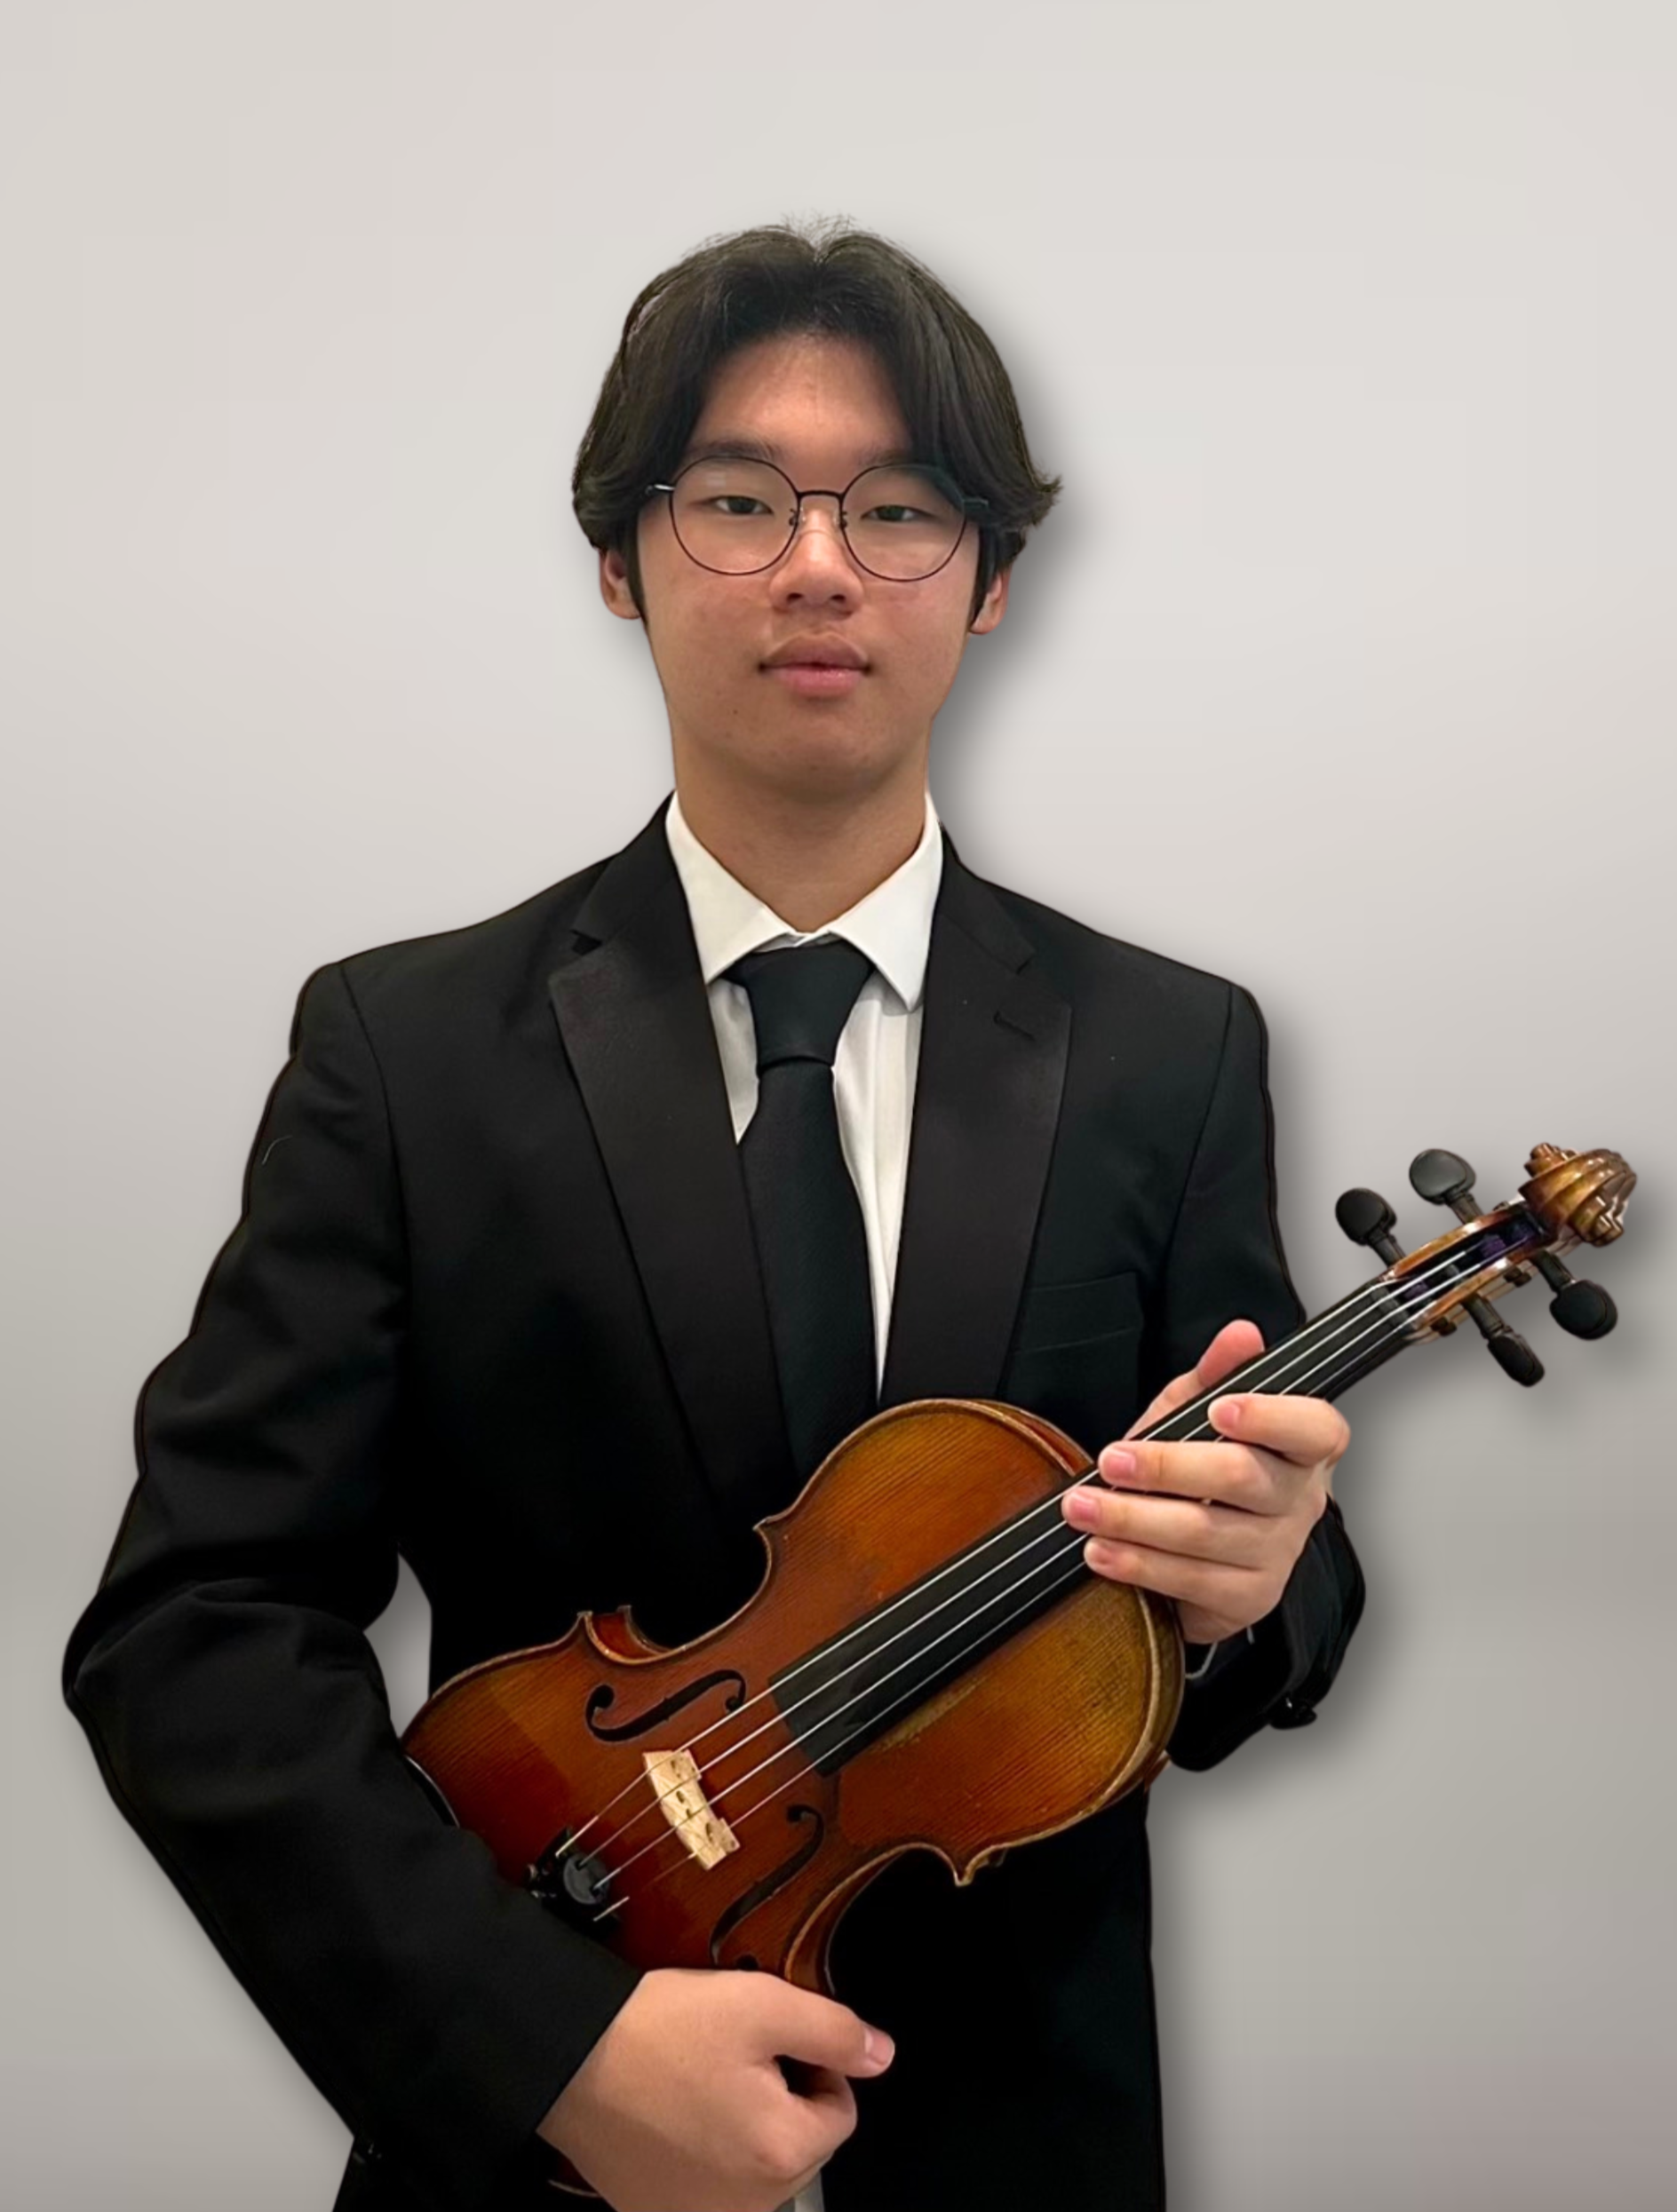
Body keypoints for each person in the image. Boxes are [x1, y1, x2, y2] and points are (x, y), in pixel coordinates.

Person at [64, 222, 1363, 2212]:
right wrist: (546, 2047)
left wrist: (1262, 1575)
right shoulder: (403, 1050)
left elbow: (1257, 1591)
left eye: (901, 506)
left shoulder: (1167, 1050)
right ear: (619, 557)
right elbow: (197, 1629)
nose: (818, 563)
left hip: (1016, 2141)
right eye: (739, 498)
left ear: (992, 579)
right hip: (546, 2140)